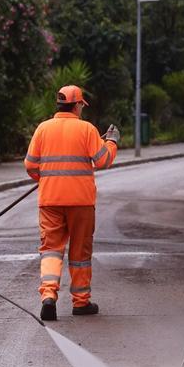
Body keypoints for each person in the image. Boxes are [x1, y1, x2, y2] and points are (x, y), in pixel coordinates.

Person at [24, 85, 119, 321]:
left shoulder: (43, 129)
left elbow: (30, 165)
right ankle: (80, 302)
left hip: (50, 201)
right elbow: (103, 160)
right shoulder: (86, 129)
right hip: (81, 203)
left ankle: (48, 296)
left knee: (51, 252)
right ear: (77, 105)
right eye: (81, 106)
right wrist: (112, 142)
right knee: (80, 253)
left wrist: (46, 178)